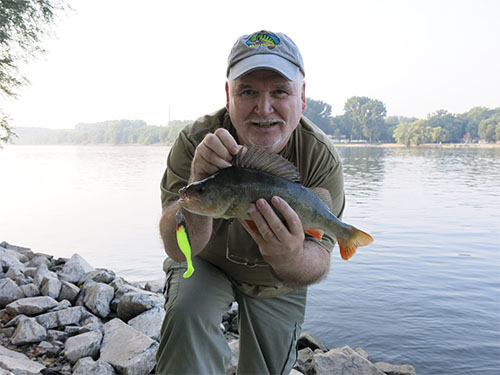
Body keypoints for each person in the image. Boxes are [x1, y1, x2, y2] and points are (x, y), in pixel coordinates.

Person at [155, 30, 345, 374]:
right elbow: (177, 248)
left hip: (278, 277)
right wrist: (197, 181)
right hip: (204, 262)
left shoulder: (320, 157)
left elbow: (318, 261)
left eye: (279, 91)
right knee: (187, 314)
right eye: (247, 91)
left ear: (302, 98)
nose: (264, 108)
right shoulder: (197, 141)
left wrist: (290, 255)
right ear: (228, 95)